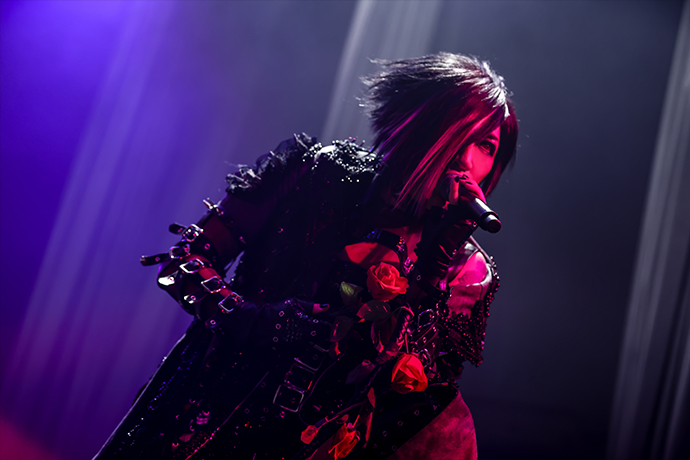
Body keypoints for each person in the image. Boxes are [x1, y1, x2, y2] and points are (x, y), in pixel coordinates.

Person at [95, 52, 518, 460]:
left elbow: (406, 394)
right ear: (416, 122)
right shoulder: (315, 172)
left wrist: (437, 259)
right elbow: (185, 259)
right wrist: (252, 319)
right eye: (457, 133)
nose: (466, 158)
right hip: (199, 407)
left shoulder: (467, 271)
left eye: (485, 145)